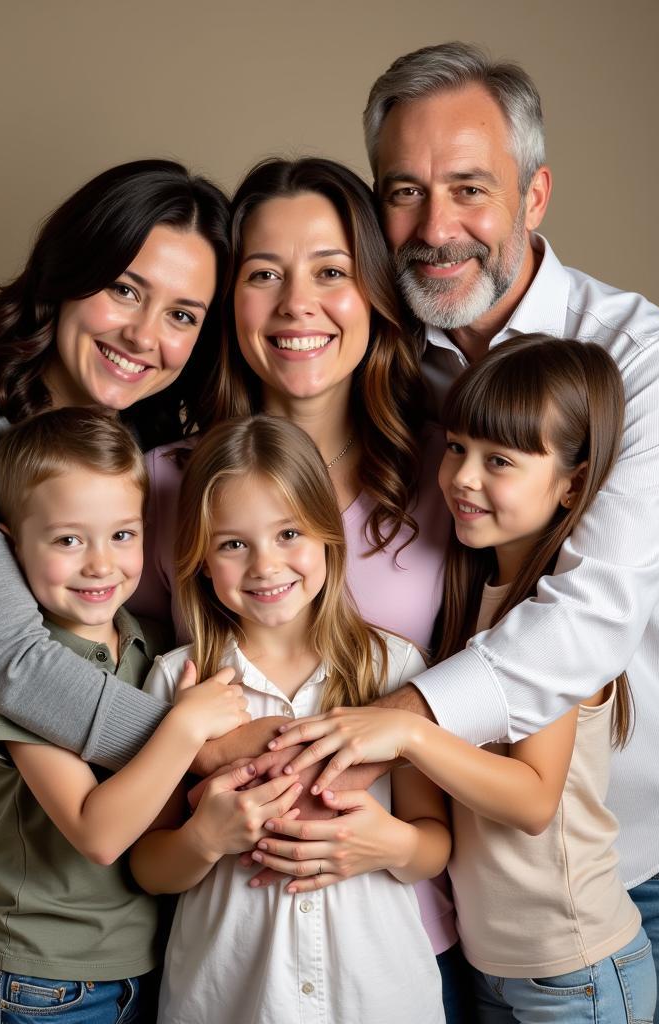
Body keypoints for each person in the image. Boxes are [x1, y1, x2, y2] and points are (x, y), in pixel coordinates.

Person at [268, 42, 659, 1022]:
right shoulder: (393, 363)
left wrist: (397, 720)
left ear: (534, 196)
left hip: (657, 837)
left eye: (468, 188)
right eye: (403, 192)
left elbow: (583, 618)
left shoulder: (648, 362)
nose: (435, 227)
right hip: (482, 871)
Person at [0, 160, 230, 1024]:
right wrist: (208, 750)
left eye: (182, 315)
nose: (145, 335)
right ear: (64, 276)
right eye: (124, 290)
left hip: (111, 889)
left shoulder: (161, 452)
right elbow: (18, 665)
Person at [128, 157, 469, 1014]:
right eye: (262, 275)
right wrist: (199, 754)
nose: (295, 304)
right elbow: (101, 683)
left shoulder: (450, 475)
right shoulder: (160, 486)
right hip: (236, 966)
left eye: (331, 271)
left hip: (397, 950)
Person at [275, 336, 658, 1022]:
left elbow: (533, 800)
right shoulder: (476, 594)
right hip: (497, 964)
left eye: (500, 461)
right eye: (456, 447)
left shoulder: (553, 625)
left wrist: (410, 733)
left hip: (572, 970)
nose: (462, 477)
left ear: (572, 482)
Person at [128, 415, 449, 1024]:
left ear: (328, 535)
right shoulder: (179, 684)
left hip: (378, 998)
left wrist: (389, 843)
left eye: (288, 534)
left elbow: (433, 843)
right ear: (200, 557)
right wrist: (205, 839)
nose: (265, 566)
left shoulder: (394, 668)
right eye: (232, 544)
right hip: (231, 1001)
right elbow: (147, 865)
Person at [0, 407, 249, 1023]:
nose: (100, 564)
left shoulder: (144, 640)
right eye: (68, 539)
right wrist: (186, 726)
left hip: (144, 963)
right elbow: (99, 834)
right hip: (41, 980)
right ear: (12, 543)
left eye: (122, 535)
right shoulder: (24, 678)